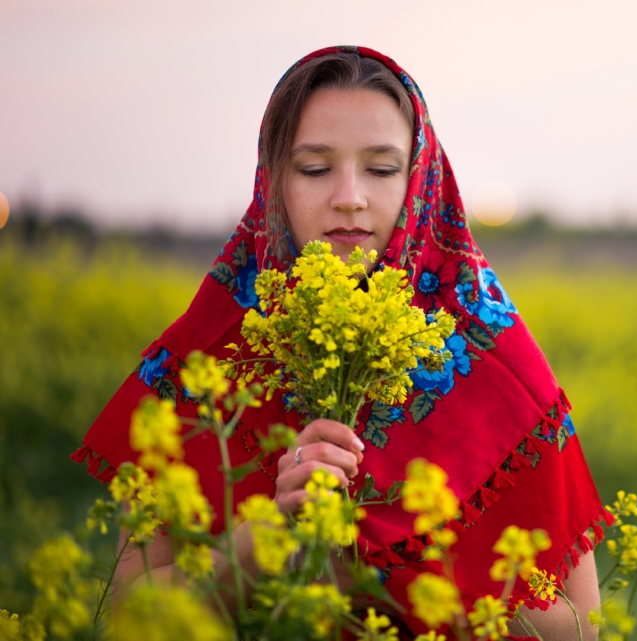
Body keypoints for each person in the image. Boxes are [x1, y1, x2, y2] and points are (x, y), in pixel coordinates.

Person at [73, 46, 609, 640]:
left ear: (421, 180)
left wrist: (393, 578)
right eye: (314, 168)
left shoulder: (494, 361)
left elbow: (582, 627)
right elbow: (132, 615)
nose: (349, 196)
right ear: (272, 180)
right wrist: (265, 542)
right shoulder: (200, 363)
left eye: (381, 169)